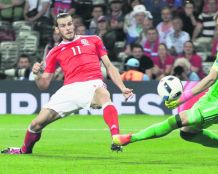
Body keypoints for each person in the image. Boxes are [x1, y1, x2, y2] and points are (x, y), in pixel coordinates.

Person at [113, 7, 218, 162]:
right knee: (187, 132)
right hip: (213, 98)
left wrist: (183, 98)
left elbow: (211, 78)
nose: (217, 31)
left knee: (177, 120)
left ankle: (130, 138)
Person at [1, 13, 133, 154]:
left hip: (92, 84)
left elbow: (109, 66)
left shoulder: (94, 40)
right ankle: (24, 150)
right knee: (36, 124)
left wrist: (122, 87)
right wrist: (37, 75)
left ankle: (116, 137)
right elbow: (44, 85)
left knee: (104, 94)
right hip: (68, 90)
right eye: (63, 26)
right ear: (57, 30)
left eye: (69, 24)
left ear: (73, 24)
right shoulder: (54, 52)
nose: (68, 28)